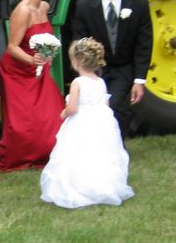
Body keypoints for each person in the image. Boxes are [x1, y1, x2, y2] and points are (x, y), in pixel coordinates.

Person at [40, 38, 134, 208]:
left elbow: (73, 108)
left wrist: (64, 113)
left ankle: (77, 186)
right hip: (100, 124)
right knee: (98, 153)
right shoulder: (101, 82)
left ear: (77, 60)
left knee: (78, 153)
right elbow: (105, 105)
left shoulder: (78, 83)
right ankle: (102, 185)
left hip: (81, 124)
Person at [0, 0, 66, 172]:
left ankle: (51, 151)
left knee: (52, 115)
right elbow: (12, 47)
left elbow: (43, 38)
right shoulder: (22, 11)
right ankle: (24, 153)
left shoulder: (44, 7)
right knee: (24, 123)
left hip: (39, 70)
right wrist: (33, 61)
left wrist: (47, 56)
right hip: (17, 72)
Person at [70, 0, 153, 137]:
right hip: (95, 69)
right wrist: (85, 71)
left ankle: (117, 145)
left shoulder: (138, 4)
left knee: (114, 104)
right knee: (95, 107)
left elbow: (144, 44)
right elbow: (79, 40)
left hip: (124, 67)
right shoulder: (85, 6)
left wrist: (140, 80)